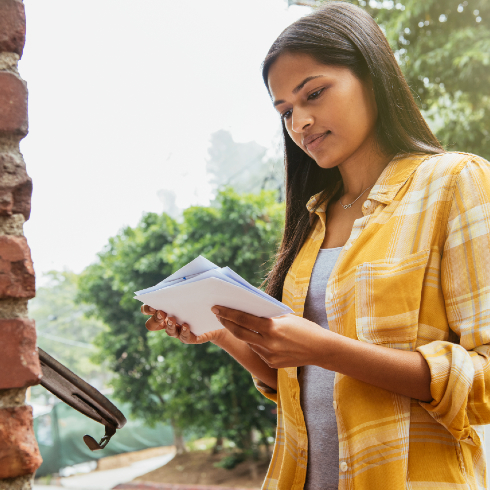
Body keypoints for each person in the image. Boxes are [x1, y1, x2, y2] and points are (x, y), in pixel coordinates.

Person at [142, 3, 490, 489]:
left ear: (371, 73)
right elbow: (296, 380)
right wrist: (220, 330)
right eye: (285, 110)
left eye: (314, 93)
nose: (299, 122)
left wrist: (329, 350)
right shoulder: (315, 216)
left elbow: (485, 382)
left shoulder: (454, 182)